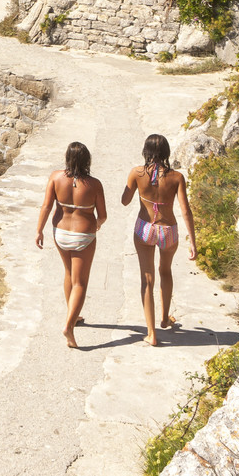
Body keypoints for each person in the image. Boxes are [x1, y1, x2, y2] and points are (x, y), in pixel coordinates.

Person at [122, 134, 197, 346]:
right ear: (166, 152)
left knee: (147, 278)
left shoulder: (136, 173)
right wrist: (193, 241)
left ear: (145, 151)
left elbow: (124, 201)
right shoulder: (177, 177)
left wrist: (138, 189)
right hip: (168, 230)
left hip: (145, 229)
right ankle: (165, 318)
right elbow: (185, 210)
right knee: (165, 271)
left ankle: (151, 333)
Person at [35, 142, 108, 349]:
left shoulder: (56, 177)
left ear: (67, 158)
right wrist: (98, 224)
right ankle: (69, 325)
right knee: (80, 282)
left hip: (60, 232)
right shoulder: (94, 184)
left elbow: (47, 206)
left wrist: (39, 230)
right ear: (87, 160)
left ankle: (73, 315)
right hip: (84, 234)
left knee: (68, 273)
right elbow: (102, 215)